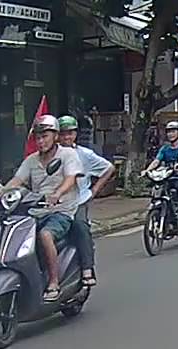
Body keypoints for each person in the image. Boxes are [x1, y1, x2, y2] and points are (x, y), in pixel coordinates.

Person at [0, 114, 82, 302]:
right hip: (36, 211)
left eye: (45, 136)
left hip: (61, 211)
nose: (41, 141)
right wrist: (0, 194)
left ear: (55, 136)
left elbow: (71, 178)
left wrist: (58, 193)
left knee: (45, 235)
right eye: (38, 138)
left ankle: (54, 281)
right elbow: (17, 180)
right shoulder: (31, 160)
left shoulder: (67, 155)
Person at [58, 115, 114, 287]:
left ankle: (87, 268)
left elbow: (108, 168)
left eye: (70, 133)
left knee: (80, 227)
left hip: (78, 201)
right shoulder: (51, 154)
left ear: (75, 134)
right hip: (54, 203)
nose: (66, 137)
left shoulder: (85, 154)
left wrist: (94, 191)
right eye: (63, 134)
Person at [144, 120, 178, 231]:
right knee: (158, 194)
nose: (171, 134)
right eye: (169, 132)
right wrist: (147, 170)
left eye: (173, 131)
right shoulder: (165, 148)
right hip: (167, 177)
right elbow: (157, 161)